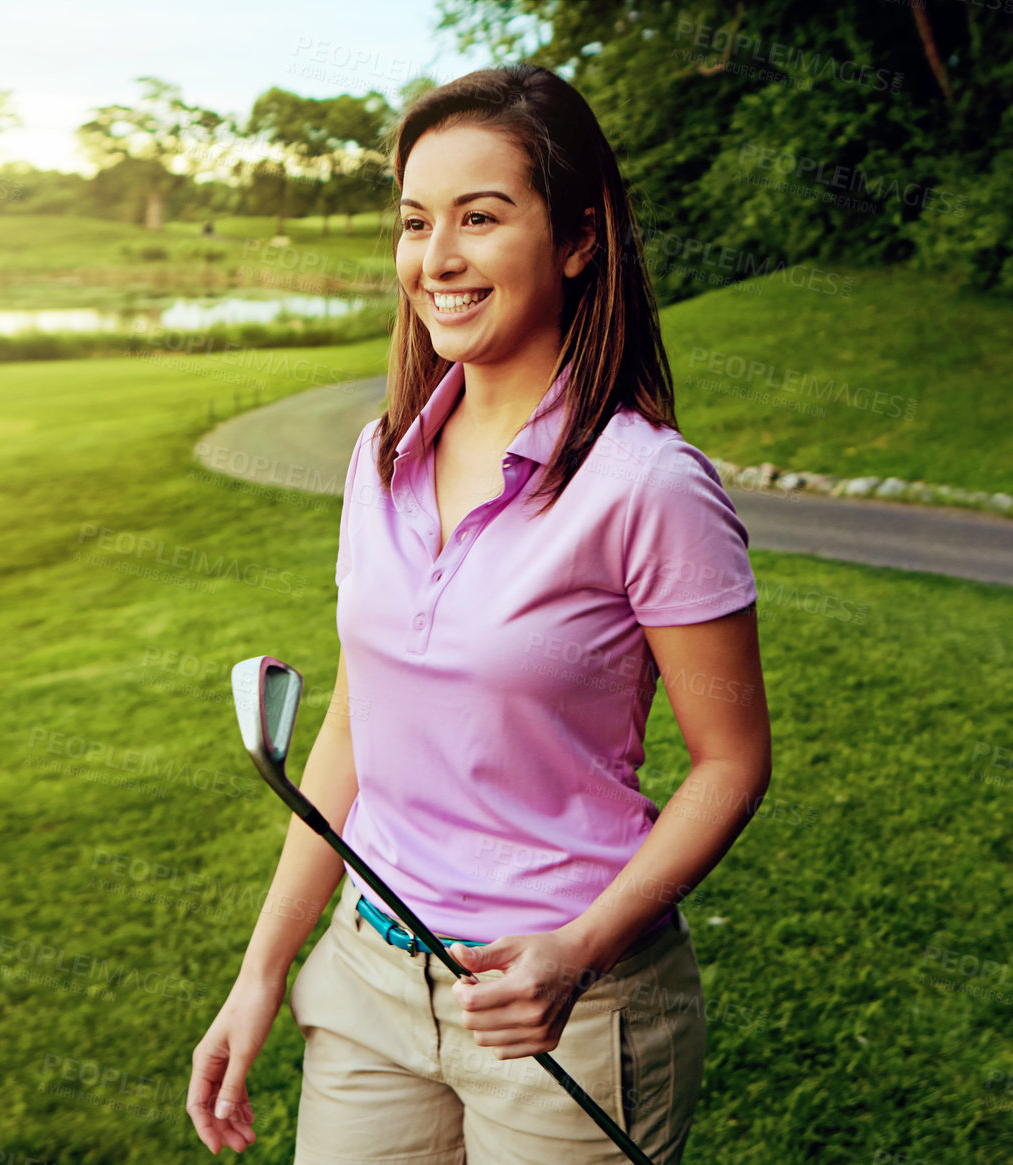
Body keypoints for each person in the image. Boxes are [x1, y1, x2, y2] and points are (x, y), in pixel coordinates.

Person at [187, 63, 771, 1163]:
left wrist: (582, 948)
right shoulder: (381, 455)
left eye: (479, 217)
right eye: (415, 223)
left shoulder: (648, 484)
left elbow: (729, 762)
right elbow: (358, 724)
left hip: (569, 1008)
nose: (436, 258)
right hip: (369, 983)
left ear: (577, 239)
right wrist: (262, 969)